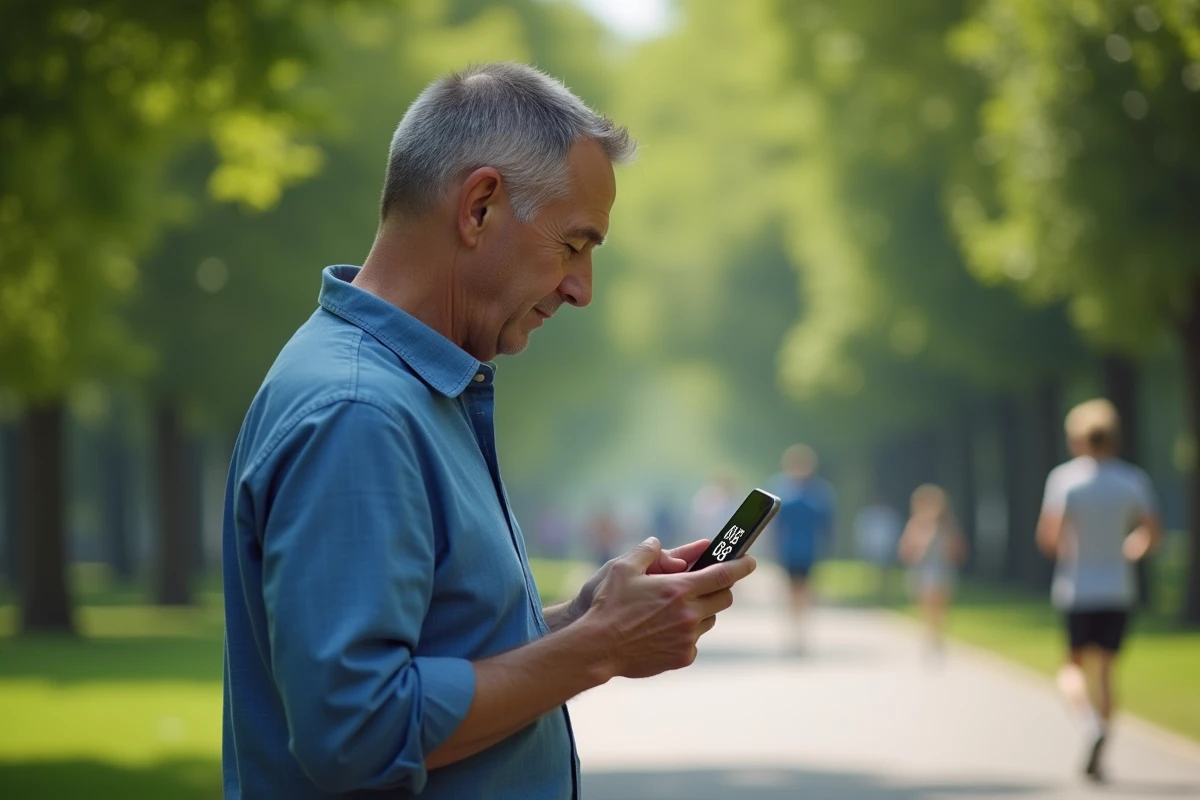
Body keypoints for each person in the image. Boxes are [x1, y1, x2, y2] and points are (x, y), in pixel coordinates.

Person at [220, 63, 757, 799]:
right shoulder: (359, 413)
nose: (582, 289)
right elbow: (355, 733)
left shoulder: (414, 391)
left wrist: (582, 618)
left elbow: (443, 653)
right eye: (574, 245)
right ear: (479, 208)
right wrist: (599, 648)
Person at [1037, 398, 1159, 783]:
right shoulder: (1133, 480)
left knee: (1071, 668)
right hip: (1118, 588)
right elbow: (1151, 533)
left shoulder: (1064, 480)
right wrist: (1128, 551)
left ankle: (1090, 726)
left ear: (1077, 439)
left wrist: (1073, 551)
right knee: (1105, 672)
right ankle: (1102, 740)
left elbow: (1049, 537)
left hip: (1077, 588)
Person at [770, 444, 835, 651]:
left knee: (806, 591)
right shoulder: (781, 489)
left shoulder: (820, 491)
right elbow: (774, 522)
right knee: (790, 591)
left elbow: (827, 522)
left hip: (809, 550)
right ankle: (793, 632)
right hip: (788, 550)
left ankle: (803, 633)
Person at [897, 484, 967, 657]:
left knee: (940, 606)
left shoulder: (948, 526)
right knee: (926, 606)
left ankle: (937, 636)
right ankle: (930, 636)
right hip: (923, 571)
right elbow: (905, 551)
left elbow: (959, 550)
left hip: (943, 570)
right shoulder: (915, 525)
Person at [854, 495, 904, 603]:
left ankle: (883, 593)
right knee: (870, 571)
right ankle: (870, 591)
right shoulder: (869, 515)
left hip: (885, 547)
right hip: (872, 547)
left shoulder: (889, 515)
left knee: (885, 572)